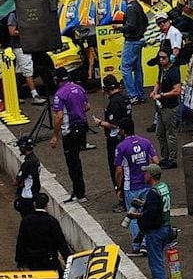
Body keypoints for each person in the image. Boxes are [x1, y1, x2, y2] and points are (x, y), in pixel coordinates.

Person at [113, 118, 157, 255]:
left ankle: (137, 244)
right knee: (146, 214)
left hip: (130, 186)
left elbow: (119, 171)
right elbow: (156, 161)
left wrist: (118, 187)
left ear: (123, 130)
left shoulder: (121, 147)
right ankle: (146, 243)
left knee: (133, 215)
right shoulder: (146, 142)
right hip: (146, 185)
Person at [128, 163, 171, 279]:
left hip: (156, 231)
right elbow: (157, 205)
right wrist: (142, 203)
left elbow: (151, 214)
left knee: (155, 260)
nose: (144, 174)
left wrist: (136, 216)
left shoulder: (153, 193)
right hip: (166, 227)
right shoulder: (163, 187)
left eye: (146, 173)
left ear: (151, 176)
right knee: (158, 258)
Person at [50, 67, 90, 203]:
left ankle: (79, 193)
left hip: (70, 131)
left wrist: (55, 135)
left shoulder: (60, 94)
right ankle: (79, 191)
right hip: (82, 127)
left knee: (73, 163)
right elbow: (87, 106)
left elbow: (59, 117)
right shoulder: (79, 88)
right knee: (77, 159)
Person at [92, 75, 130, 210]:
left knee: (118, 169)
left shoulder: (114, 102)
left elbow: (113, 124)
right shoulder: (125, 98)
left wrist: (100, 123)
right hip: (127, 137)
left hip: (116, 141)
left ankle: (122, 199)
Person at [15, 192, 71, 273]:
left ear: (34, 204)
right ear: (46, 205)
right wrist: (68, 259)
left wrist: (20, 261)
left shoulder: (26, 220)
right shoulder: (51, 221)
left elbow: (21, 241)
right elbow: (60, 242)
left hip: (32, 260)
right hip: (49, 259)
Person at [114, 0, 146, 103]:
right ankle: (140, 94)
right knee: (137, 68)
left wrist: (119, 28)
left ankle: (133, 95)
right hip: (140, 40)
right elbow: (145, 21)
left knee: (125, 68)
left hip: (132, 41)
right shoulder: (137, 5)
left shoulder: (131, 8)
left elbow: (131, 25)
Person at [150, 49, 181, 168]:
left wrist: (162, 95)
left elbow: (177, 91)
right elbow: (158, 81)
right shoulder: (162, 69)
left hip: (170, 107)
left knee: (170, 133)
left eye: (164, 58)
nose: (161, 60)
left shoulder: (174, 71)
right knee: (160, 132)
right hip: (161, 107)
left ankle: (172, 159)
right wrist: (155, 90)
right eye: (160, 58)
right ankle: (165, 156)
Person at [6, 10, 45, 104]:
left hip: (26, 45)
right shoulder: (13, 15)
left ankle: (15, 95)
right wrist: (27, 31)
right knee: (28, 71)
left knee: (19, 71)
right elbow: (12, 32)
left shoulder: (25, 13)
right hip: (20, 47)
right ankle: (35, 95)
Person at [14, 137, 41, 216]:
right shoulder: (35, 160)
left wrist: (18, 181)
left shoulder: (28, 163)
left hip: (27, 196)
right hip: (35, 192)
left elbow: (17, 180)